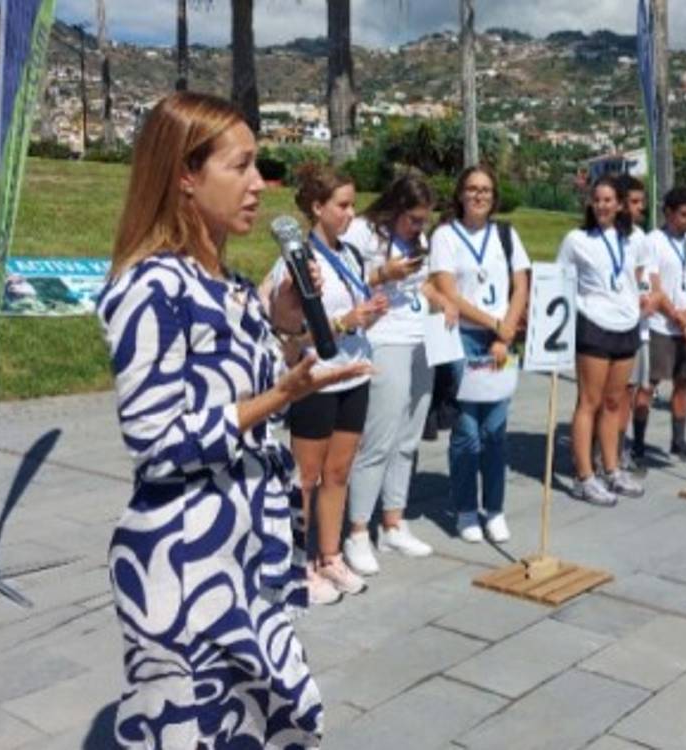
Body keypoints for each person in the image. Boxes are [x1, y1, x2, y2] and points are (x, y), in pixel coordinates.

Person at [98, 92, 363, 748]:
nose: (258, 185)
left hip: (246, 553)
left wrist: (284, 325)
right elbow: (154, 441)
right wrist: (278, 400)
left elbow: (239, 380)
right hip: (187, 563)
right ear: (185, 175)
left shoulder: (234, 285)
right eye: (241, 167)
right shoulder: (149, 289)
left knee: (276, 723)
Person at [265, 165, 388, 604]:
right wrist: (343, 321)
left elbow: (353, 311)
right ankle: (297, 564)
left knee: (339, 473)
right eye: (342, 205)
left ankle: (329, 555)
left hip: (354, 372)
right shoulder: (298, 261)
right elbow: (291, 331)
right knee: (306, 477)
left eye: (353, 204)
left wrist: (368, 313)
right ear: (316, 208)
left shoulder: (351, 254)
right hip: (316, 376)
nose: (350, 214)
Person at [342, 175, 454, 576]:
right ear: (394, 209)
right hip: (384, 338)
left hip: (420, 337)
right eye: (412, 220)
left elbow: (421, 284)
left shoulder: (418, 241)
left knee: (408, 436)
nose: (418, 228)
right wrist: (381, 276)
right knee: (380, 437)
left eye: (423, 221)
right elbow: (344, 280)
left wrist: (442, 301)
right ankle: (357, 530)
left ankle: (393, 521)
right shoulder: (362, 234)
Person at [429, 166, 531, 542]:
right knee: (468, 430)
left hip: (499, 341)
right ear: (460, 194)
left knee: (495, 430)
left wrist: (505, 331)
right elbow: (448, 292)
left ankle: (496, 508)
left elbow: (520, 286)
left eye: (485, 190)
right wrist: (493, 322)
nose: (478, 195)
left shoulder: (506, 234)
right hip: (462, 339)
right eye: (471, 189)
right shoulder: (444, 236)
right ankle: (465, 508)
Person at [559, 175, 646, 506]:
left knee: (614, 402)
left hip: (626, 325)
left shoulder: (635, 239)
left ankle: (612, 469)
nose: (601, 206)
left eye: (608, 200)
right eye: (596, 200)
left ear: (621, 204)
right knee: (589, 402)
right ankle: (584, 477)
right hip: (593, 324)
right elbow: (560, 280)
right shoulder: (576, 240)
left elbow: (635, 278)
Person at [646, 186, 686, 464]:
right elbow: (654, 284)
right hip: (662, 325)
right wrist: (677, 316)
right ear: (669, 212)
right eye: (684, 215)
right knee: (648, 385)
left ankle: (678, 440)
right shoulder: (653, 241)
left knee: (684, 383)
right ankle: (636, 443)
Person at [617, 174, 660, 473]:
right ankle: (611, 454)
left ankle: (624, 450)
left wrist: (652, 298)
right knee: (617, 397)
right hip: (614, 329)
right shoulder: (606, 237)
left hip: (640, 329)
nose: (639, 208)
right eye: (634, 202)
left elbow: (648, 278)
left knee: (636, 392)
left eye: (641, 202)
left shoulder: (641, 237)